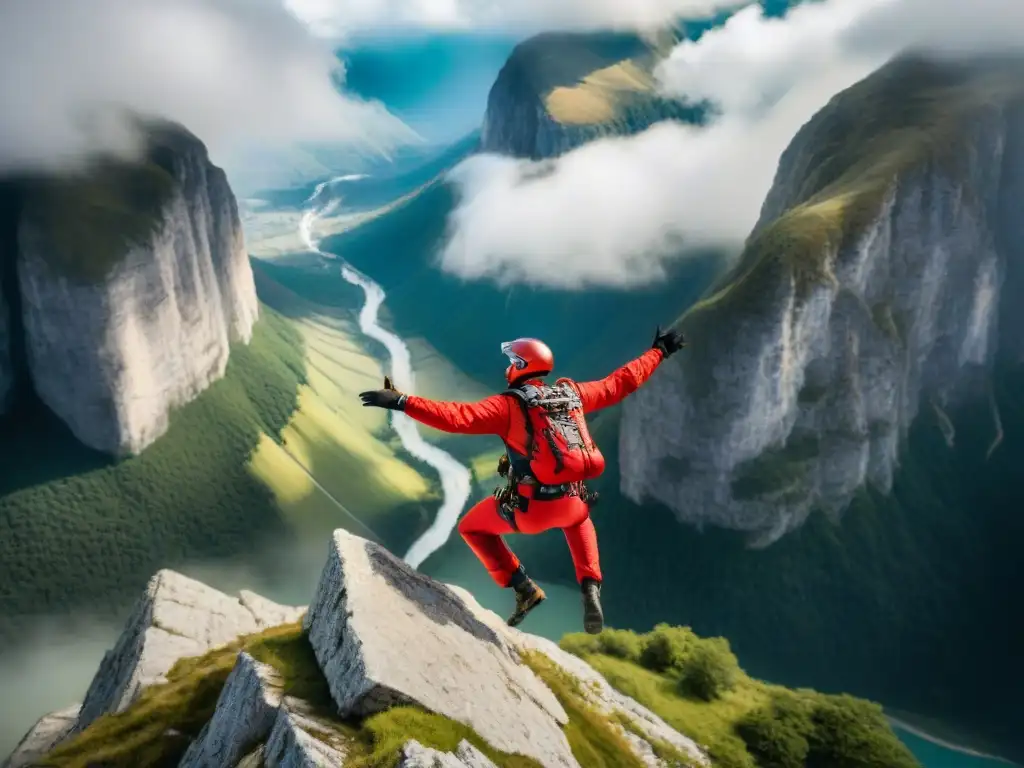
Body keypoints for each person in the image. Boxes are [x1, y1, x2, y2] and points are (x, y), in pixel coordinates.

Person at [359, 327, 686, 633]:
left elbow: (457, 417)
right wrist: (658, 351)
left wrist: (402, 402)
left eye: (511, 362)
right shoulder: (571, 394)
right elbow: (621, 382)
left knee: (472, 528)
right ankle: (590, 585)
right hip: (572, 500)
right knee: (579, 521)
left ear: (519, 365)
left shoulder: (508, 407)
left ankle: (524, 588)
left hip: (531, 509)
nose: (507, 368)